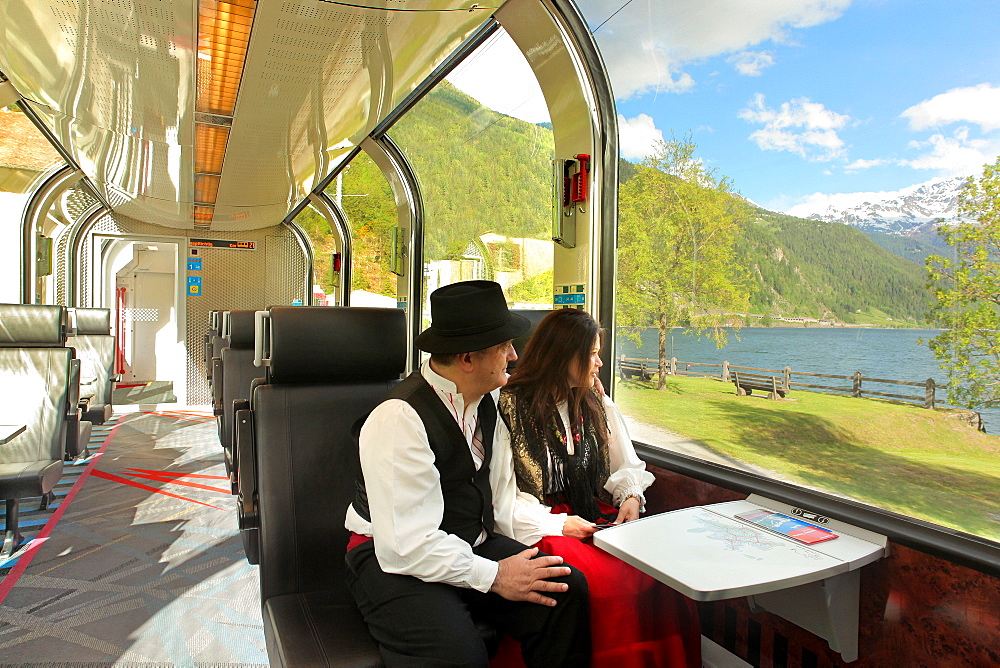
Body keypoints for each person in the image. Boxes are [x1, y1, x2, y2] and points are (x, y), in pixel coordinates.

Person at [344, 281, 591, 667]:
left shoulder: (488, 402)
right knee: (457, 654)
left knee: (565, 589)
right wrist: (494, 576)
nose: (513, 355)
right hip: (391, 559)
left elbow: (500, 497)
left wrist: (554, 525)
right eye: (504, 346)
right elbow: (405, 545)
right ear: (466, 359)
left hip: (467, 541)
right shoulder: (399, 418)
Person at [494, 309, 701, 668]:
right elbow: (502, 499)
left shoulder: (595, 402)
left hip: (589, 511)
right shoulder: (507, 406)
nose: (599, 363)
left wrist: (631, 497)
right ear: (562, 355)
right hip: (537, 520)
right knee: (606, 583)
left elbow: (626, 464)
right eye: (591, 354)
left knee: (662, 573)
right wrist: (559, 525)